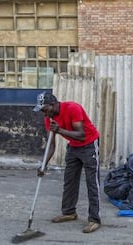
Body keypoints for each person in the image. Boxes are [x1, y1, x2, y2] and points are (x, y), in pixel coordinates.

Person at [33, 91, 101, 233]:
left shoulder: (73, 108)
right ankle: (69, 212)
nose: (44, 115)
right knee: (69, 180)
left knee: (92, 182)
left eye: (45, 110)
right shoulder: (49, 119)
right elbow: (51, 145)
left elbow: (81, 135)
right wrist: (43, 165)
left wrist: (60, 130)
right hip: (73, 147)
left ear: (53, 105)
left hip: (89, 144)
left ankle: (94, 219)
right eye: (42, 112)